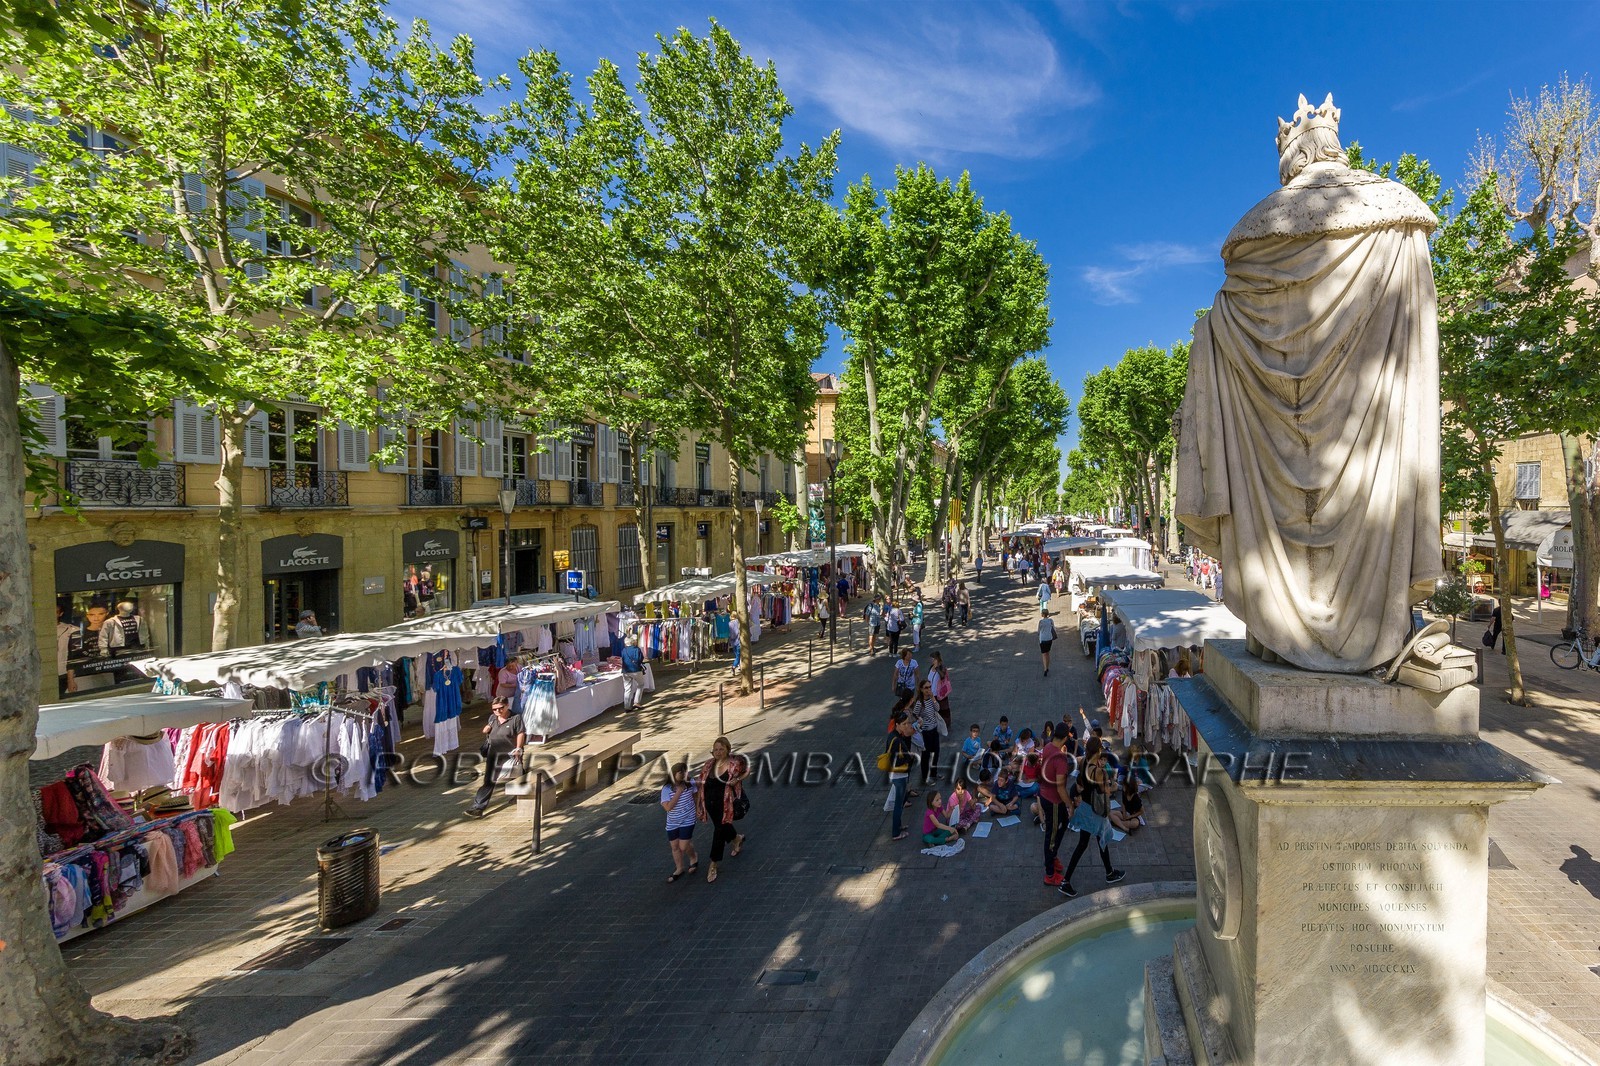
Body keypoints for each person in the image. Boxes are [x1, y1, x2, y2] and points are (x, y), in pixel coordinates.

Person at [1059, 735, 1125, 897]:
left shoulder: (1083, 762)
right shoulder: (1098, 771)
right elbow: (1107, 791)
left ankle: (1109, 872)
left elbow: (1079, 785)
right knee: (1096, 840)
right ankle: (1067, 881)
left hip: (1086, 809)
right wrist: (1112, 784)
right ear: (1098, 750)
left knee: (1091, 841)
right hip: (1095, 811)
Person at [695, 736, 748, 883]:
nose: (718, 752)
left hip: (726, 804)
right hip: (711, 804)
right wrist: (698, 803)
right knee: (722, 827)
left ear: (727, 749)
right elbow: (701, 784)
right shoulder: (708, 765)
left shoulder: (734, 763)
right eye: (715, 750)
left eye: (721, 749)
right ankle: (736, 838)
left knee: (719, 830)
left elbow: (747, 771)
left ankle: (713, 864)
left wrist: (737, 779)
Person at [466, 697, 525, 817]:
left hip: (511, 753)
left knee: (516, 775)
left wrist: (518, 748)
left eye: (500, 708)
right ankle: (478, 807)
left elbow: (520, 733)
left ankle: (520, 795)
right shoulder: (492, 718)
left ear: (507, 706)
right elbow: (488, 730)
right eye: (494, 709)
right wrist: (486, 729)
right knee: (489, 780)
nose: (497, 711)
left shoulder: (516, 718)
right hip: (494, 753)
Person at [1039, 723, 1076, 885]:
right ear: (1066, 737)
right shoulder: (1060, 759)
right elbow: (1061, 788)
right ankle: (1049, 874)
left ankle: (1052, 856)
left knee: (1063, 823)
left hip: (1047, 795)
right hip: (1054, 800)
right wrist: (1070, 804)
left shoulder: (1048, 746)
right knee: (1052, 837)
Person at [661, 763, 700, 882]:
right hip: (673, 822)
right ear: (673, 775)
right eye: (680, 772)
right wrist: (679, 792)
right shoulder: (666, 789)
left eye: (685, 771)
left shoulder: (690, 783)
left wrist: (698, 808)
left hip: (688, 819)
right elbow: (668, 807)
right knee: (675, 846)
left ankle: (693, 857)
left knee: (683, 846)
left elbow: (696, 796)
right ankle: (679, 868)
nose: (683, 774)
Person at [885, 713, 917, 841]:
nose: (906, 726)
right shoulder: (896, 739)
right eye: (904, 724)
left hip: (898, 774)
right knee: (899, 804)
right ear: (897, 724)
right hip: (898, 774)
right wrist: (908, 757)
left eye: (907, 723)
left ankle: (898, 826)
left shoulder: (894, 736)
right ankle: (896, 833)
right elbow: (894, 760)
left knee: (902, 801)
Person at [908, 679, 944, 788]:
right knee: (926, 755)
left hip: (934, 730)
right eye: (926, 688)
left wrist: (933, 698)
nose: (928, 689)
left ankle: (934, 773)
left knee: (936, 752)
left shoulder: (931, 699)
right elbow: (914, 714)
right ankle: (925, 777)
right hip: (926, 732)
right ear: (921, 689)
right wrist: (919, 719)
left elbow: (938, 708)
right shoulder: (920, 702)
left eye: (929, 687)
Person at [620, 635, 647, 710]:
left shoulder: (624, 650)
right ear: (632, 642)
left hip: (625, 671)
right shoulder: (636, 649)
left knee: (627, 689)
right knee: (640, 685)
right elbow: (640, 659)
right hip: (636, 670)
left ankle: (627, 706)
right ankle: (636, 702)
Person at [928, 650, 952, 730]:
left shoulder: (941, 667)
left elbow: (942, 676)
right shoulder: (930, 668)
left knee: (944, 710)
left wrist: (937, 668)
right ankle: (937, 725)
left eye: (932, 659)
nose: (931, 660)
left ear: (936, 659)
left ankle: (946, 725)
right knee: (935, 710)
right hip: (932, 694)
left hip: (941, 694)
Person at [1038, 608, 1058, 676]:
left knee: (1044, 654)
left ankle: (1045, 668)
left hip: (1043, 639)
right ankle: (1047, 666)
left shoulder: (1040, 622)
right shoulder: (1051, 620)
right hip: (1049, 638)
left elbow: (1038, 631)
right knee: (1048, 653)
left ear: (1042, 614)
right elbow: (1054, 629)